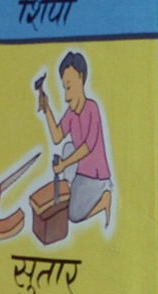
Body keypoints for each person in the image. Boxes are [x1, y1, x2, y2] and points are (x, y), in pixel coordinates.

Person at [39, 51, 112, 230]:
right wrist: (47, 109)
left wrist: (64, 165)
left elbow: (88, 147)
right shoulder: (71, 114)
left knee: (72, 214)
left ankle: (104, 198)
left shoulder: (92, 109)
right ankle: (77, 190)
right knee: (67, 147)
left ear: (81, 79)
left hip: (96, 176)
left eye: (69, 87)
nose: (66, 96)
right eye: (65, 88)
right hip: (80, 170)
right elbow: (57, 136)